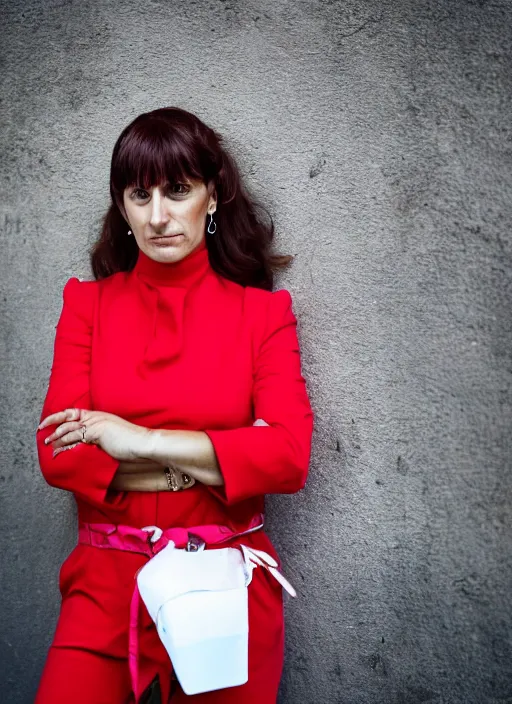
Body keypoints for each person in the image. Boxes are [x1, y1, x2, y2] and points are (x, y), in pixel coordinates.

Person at [34, 106, 314, 704]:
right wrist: (221, 456)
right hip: (104, 592)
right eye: (140, 195)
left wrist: (139, 443)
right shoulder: (87, 306)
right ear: (122, 206)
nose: (159, 216)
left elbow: (288, 458)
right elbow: (58, 456)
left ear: (211, 197)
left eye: (178, 191)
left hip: (225, 592)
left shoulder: (262, 316)